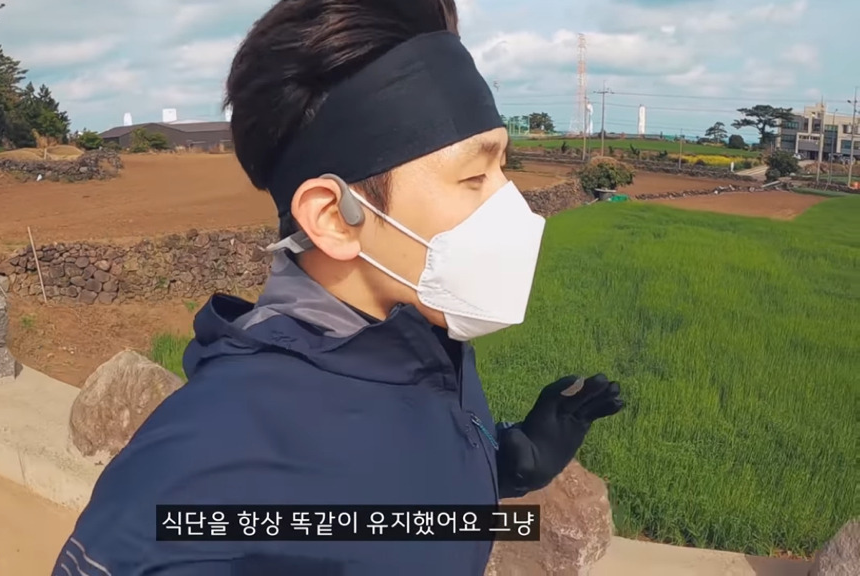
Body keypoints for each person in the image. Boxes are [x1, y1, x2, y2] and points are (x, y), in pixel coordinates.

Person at [53, 0, 624, 574]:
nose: (513, 207)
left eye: (503, 167)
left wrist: (506, 465)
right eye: (474, 176)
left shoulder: (424, 346)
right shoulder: (200, 471)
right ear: (333, 218)